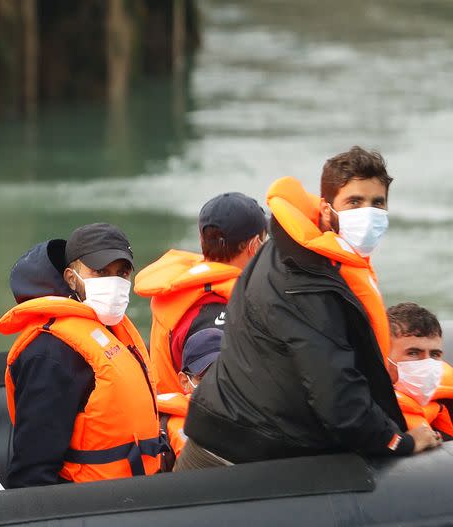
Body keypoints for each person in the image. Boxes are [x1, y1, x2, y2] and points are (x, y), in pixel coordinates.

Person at [183, 146, 442, 468]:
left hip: (233, 431)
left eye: (378, 203)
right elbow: (334, 390)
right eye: (354, 202)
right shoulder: (305, 281)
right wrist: (396, 442)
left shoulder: (289, 250)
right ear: (326, 207)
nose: (369, 213)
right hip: (243, 454)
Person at [0, 224, 167, 487]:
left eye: (122, 273)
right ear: (71, 277)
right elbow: (32, 471)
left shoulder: (114, 332)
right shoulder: (49, 353)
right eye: (100, 271)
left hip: (135, 495)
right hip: (90, 504)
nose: (114, 281)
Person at [135, 192, 266, 394]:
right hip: (203, 422)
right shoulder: (219, 312)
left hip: (169, 419)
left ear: (202, 239)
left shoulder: (182, 292)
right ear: (254, 246)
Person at [387, 302, 453, 440]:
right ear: (383, 355)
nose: (427, 363)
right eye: (413, 353)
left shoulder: (447, 400)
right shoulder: (365, 411)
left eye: (435, 354)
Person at [157, 328, 223, 461]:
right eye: (203, 377)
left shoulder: (255, 412)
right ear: (184, 381)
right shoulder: (171, 427)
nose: (214, 382)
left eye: (222, 373)